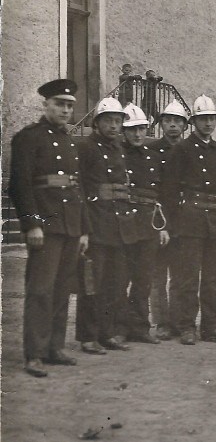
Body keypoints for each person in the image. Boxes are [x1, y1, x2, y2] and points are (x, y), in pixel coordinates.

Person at [9, 79, 89, 376]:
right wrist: (32, 225)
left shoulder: (70, 141)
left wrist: (82, 229)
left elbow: (77, 189)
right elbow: (20, 186)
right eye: (59, 104)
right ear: (46, 105)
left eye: (69, 105)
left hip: (69, 226)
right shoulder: (28, 138)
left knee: (61, 290)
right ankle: (34, 354)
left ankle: (54, 348)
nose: (65, 110)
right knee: (40, 290)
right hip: (45, 226)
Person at [160, 95, 216, 345]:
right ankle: (186, 326)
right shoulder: (182, 149)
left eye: (211, 119)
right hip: (190, 221)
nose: (208, 124)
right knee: (188, 278)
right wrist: (172, 225)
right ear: (193, 122)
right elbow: (169, 192)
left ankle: (211, 326)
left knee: (212, 278)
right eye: (202, 119)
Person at [76, 97, 132, 354]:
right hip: (96, 223)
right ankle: (88, 336)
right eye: (108, 120)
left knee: (115, 283)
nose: (113, 125)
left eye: (118, 121)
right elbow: (80, 189)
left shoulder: (119, 148)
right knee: (92, 283)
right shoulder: (86, 147)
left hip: (118, 226)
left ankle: (107, 333)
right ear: (97, 123)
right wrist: (84, 228)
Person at [120, 104, 169, 345]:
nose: (137, 135)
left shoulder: (153, 156)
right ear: (124, 131)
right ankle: (118, 327)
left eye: (141, 129)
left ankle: (139, 327)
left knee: (144, 278)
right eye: (132, 130)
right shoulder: (118, 154)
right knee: (121, 277)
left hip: (149, 224)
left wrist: (163, 226)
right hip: (125, 223)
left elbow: (161, 193)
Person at [148, 99, 188, 340]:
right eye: (168, 121)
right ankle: (161, 321)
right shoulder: (151, 150)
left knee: (181, 273)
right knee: (158, 274)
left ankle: (177, 320)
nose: (172, 125)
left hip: (184, 219)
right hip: (160, 218)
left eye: (177, 121)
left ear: (184, 125)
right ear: (162, 124)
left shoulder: (189, 150)